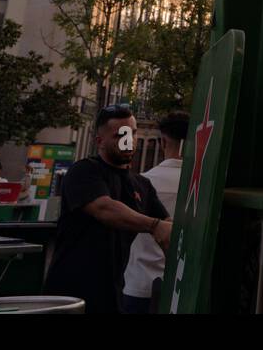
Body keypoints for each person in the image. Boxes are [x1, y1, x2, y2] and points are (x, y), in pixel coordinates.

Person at [43, 105, 172, 313]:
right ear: (99, 141)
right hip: (69, 297)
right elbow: (105, 208)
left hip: (113, 295)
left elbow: (168, 226)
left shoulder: (142, 185)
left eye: (132, 132)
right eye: (120, 135)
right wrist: (154, 226)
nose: (128, 140)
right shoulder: (84, 171)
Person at [121, 110, 188, 313]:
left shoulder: (139, 183)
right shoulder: (201, 189)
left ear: (163, 142)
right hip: (182, 288)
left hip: (138, 285)